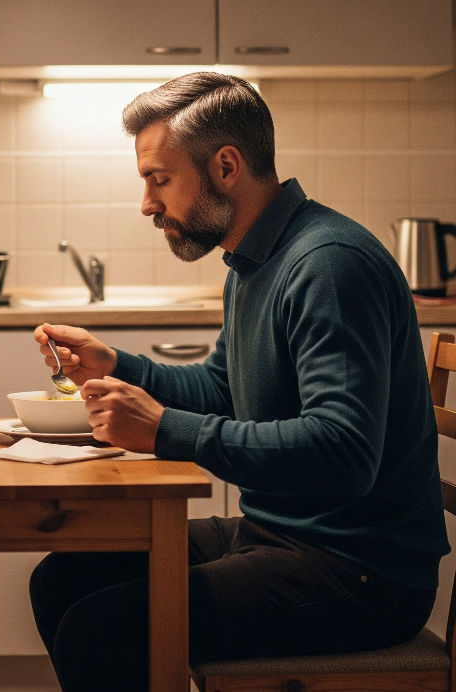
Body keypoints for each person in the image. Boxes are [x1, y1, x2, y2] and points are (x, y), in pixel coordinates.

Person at [29, 71, 450, 692]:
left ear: (226, 165)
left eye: (159, 179)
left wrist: (166, 430)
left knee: (101, 629)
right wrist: (117, 366)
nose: (148, 204)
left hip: (358, 571)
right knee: (61, 578)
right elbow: (225, 390)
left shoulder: (327, 266)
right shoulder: (252, 261)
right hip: (279, 535)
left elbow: (344, 453)